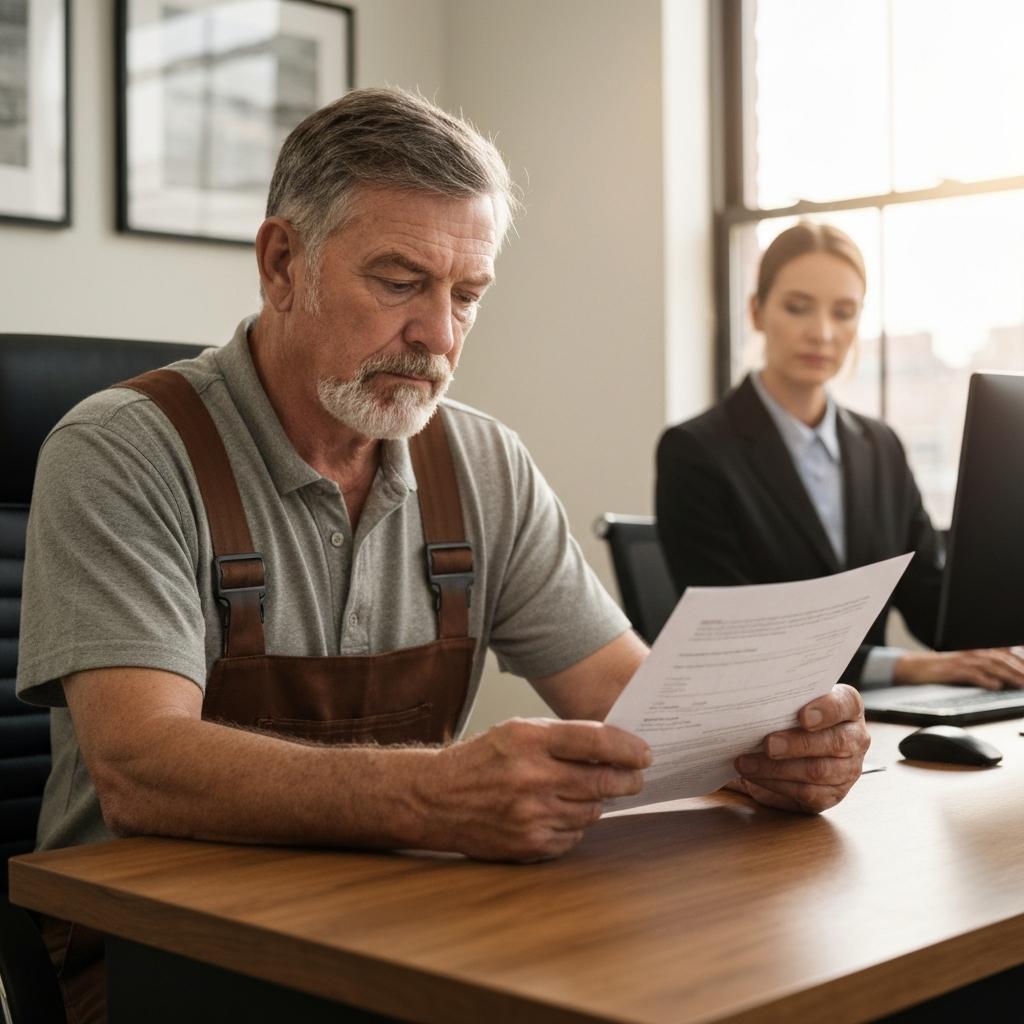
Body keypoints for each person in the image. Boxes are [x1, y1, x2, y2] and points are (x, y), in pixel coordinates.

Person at [17, 93, 868, 1023]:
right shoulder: (121, 451)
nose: (440, 336)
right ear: (280, 264)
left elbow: (639, 707)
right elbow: (142, 768)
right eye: (398, 281)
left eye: (466, 296)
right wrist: (433, 795)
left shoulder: (484, 462)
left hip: (396, 929)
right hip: (154, 959)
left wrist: (774, 751)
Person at [657, 220, 1024, 691]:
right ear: (756, 311)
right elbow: (739, 641)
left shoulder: (881, 447)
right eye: (797, 308)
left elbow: (933, 608)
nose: (823, 333)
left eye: (844, 312)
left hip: (874, 724)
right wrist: (907, 667)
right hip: (762, 724)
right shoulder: (696, 452)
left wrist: (997, 643)